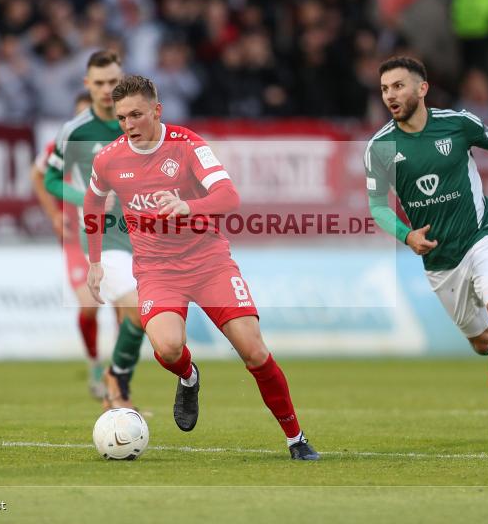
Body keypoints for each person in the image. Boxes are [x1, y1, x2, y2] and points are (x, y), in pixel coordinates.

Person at [82, 75, 319, 460]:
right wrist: (94, 260)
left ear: (157, 111)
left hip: (209, 263)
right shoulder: (108, 159)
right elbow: (93, 205)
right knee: (169, 346)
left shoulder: (189, 146)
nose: (128, 126)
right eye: (122, 118)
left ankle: (296, 438)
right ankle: (188, 377)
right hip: (157, 270)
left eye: (137, 115)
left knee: (254, 352)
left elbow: (229, 195)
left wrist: (188, 205)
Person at [364, 56, 488, 439]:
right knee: (483, 339)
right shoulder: (380, 147)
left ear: (422, 89)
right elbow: (375, 205)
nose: (391, 95)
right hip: (440, 260)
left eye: (399, 86)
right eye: (386, 88)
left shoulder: (458, 123)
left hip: (482, 236)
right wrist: (407, 235)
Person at [45, 51, 146, 409]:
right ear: (87, 85)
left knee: (141, 317)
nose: (107, 89)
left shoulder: (138, 124)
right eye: (99, 83)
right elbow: (49, 177)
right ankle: (112, 386)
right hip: (100, 238)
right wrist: (84, 196)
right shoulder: (75, 131)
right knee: (135, 308)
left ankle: (118, 392)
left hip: (140, 235)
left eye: (113, 82)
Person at [30, 91, 107, 399]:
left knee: (124, 308)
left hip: (113, 236)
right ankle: (94, 365)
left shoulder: (113, 146)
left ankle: (118, 382)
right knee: (89, 305)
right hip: (77, 237)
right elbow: (37, 175)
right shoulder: (61, 146)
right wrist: (53, 214)